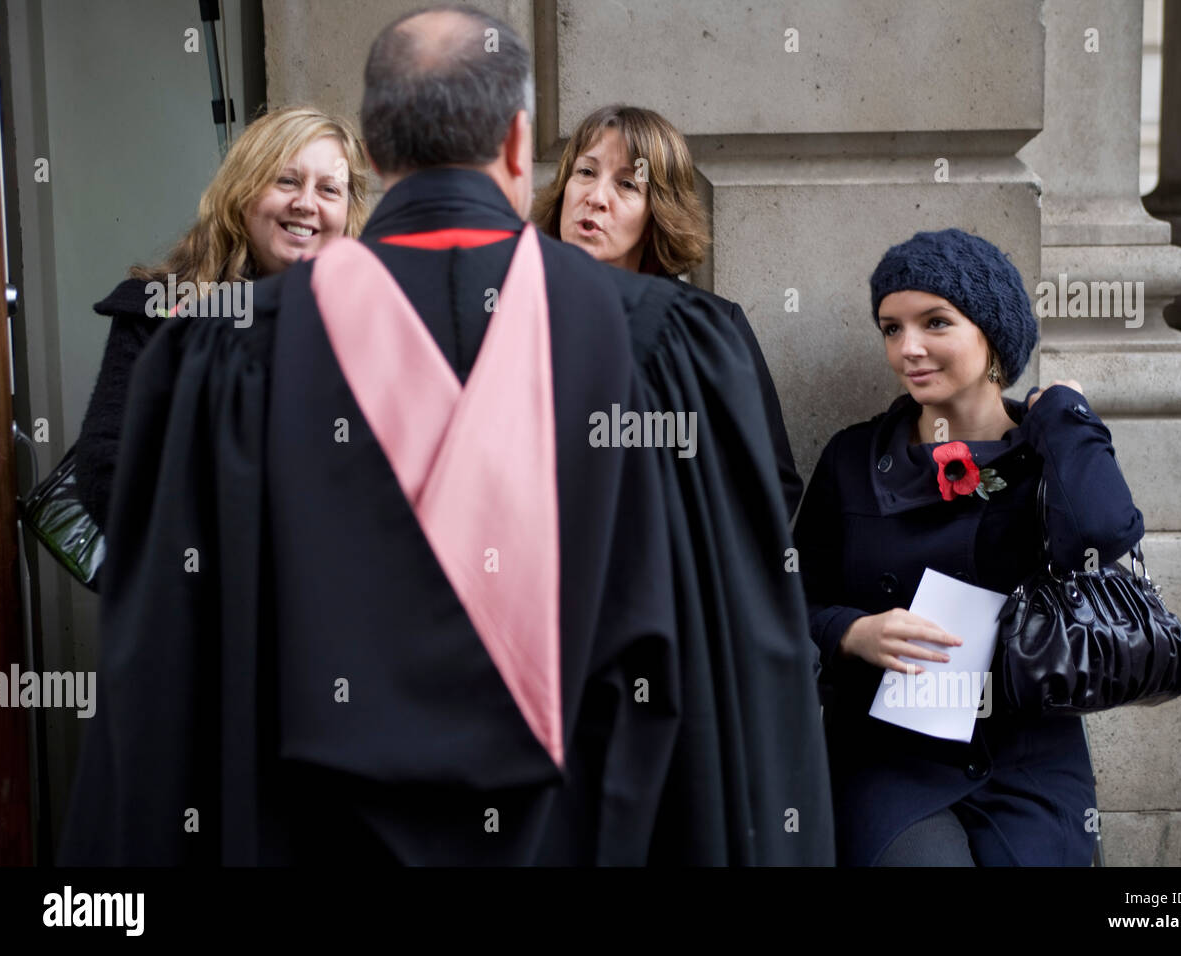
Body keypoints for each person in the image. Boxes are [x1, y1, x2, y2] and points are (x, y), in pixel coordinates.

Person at [60, 2, 831, 866]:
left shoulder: (226, 356)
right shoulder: (669, 347)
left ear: (377, 157)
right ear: (516, 145)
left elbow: (163, 682)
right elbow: (740, 670)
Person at [794, 228, 1145, 866]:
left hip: (1029, 753)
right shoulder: (853, 458)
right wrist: (853, 632)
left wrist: (1066, 415)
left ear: (992, 338)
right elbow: (787, 596)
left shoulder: (1047, 454)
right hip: (891, 755)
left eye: (934, 322)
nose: (909, 349)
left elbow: (1103, 534)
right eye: (891, 328)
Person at [74, 106, 371, 532]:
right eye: (286, 180)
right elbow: (109, 469)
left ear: (347, 213)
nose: (306, 203)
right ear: (242, 192)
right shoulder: (162, 310)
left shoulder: (374, 324)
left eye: (329, 189)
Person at [532, 105, 803, 515]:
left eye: (626, 184)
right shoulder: (513, 317)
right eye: (585, 172)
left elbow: (770, 486)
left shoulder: (710, 328)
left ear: (657, 212)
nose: (596, 198)